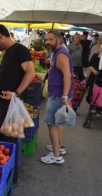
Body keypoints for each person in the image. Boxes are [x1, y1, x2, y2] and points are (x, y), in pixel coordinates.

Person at [0, 24, 35, 186]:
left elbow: (31, 72)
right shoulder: (7, 52)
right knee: (4, 141)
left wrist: (17, 93)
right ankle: (6, 177)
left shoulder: (20, 50)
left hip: (12, 105)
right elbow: (8, 76)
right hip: (2, 103)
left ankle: (11, 180)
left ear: (0, 36)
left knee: (9, 143)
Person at [41, 31, 73, 165]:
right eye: (46, 39)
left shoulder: (60, 54)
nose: (47, 42)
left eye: (50, 40)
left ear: (59, 40)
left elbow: (67, 75)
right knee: (57, 121)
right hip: (58, 93)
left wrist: (64, 96)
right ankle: (58, 147)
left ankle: (56, 155)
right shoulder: (57, 52)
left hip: (58, 95)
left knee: (51, 123)